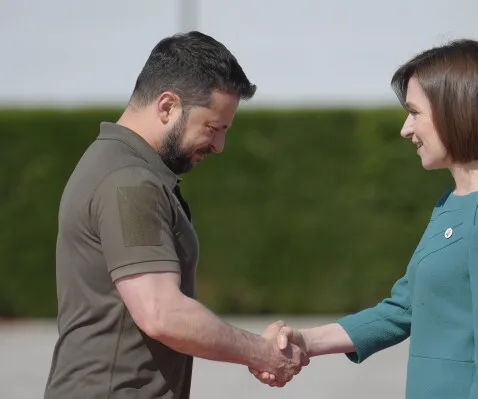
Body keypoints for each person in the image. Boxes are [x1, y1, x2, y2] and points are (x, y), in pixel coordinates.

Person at [250, 38, 478, 398]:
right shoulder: (451, 202)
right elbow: (402, 309)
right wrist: (304, 341)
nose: (406, 129)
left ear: (456, 110)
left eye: (415, 112)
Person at [44, 31, 308, 399]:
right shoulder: (129, 181)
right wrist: (262, 352)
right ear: (167, 106)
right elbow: (162, 313)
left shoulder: (118, 165)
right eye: (213, 128)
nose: (219, 146)